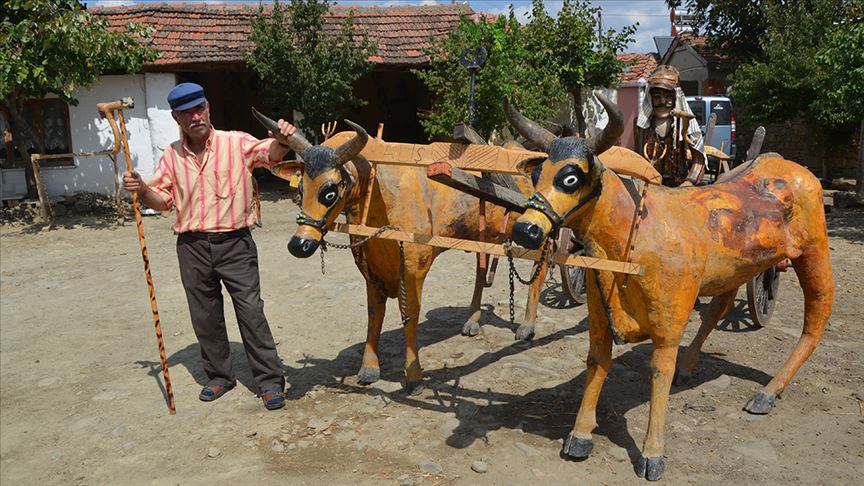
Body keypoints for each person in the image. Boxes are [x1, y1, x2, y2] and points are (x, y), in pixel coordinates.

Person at [123, 82, 296, 410]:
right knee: (205, 315)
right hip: (192, 247)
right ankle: (219, 376)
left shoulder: (236, 143)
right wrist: (142, 188)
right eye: (186, 112)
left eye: (199, 108)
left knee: (251, 311)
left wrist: (284, 139)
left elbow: (269, 153)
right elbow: (162, 201)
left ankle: (271, 381)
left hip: (235, 244)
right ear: (176, 117)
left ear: (208, 108)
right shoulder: (171, 155)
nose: (195, 116)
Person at [634, 65, 706, 187]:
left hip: (679, 189)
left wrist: (689, 182)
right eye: (657, 97)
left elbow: (699, 162)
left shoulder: (684, 123)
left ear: (676, 98)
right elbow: (637, 159)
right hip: (651, 188)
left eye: (668, 97)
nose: (662, 102)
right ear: (650, 98)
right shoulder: (641, 125)